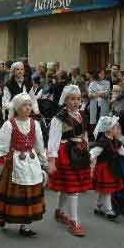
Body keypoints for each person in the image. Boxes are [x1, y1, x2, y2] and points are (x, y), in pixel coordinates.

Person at [0, 93, 47, 237]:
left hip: (31, 161)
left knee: (30, 190)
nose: (28, 108)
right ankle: (3, 215)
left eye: (30, 105)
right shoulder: (9, 124)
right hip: (15, 162)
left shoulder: (35, 124)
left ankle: (25, 224)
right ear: (17, 108)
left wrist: (44, 160)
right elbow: (2, 145)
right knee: (14, 191)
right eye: (24, 105)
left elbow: (39, 144)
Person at [47, 85, 92, 237]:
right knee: (72, 188)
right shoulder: (59, 118)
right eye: (72, 99)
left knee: (69, 187)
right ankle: (74, 221)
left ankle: (59, 211)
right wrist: (52, 161)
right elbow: (53, 140)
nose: (76, 102)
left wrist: (89, 153)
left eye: (78, 99)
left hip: (80, 151)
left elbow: (85, 134)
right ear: (65, 100)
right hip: (66, 153)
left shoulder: (83, 115)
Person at [90, 116, 124, 221]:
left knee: (103, 190)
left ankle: (97, 206)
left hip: (112, 168)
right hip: (104, 168)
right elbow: (95, 151)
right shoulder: (103, 141)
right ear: (109, 129)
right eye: (116, 128)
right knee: (107, 191)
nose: (118, 130)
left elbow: (121, 151)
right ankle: (108, 210)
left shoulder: (115, 140)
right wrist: (90, 157)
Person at [87, 69, 111, 137]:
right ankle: (95, 136)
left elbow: (106, 94)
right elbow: (90, 95)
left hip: (103, 105)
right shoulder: (92, 83)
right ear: (97, 74)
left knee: (103, 121)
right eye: (101, 73)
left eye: (103, 74)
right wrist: (100, 93)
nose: (103, 75)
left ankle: (102, 137)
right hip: (94, 105)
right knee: (94, 121)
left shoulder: (107, 82)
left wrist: (95, 93)